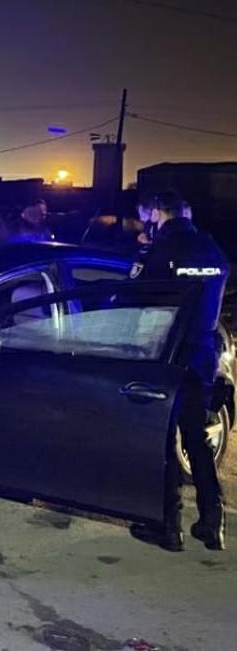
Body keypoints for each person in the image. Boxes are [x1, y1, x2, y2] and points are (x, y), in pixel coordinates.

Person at [130, 190, 227, 552]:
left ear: (159, 213)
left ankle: (168, 525)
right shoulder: (214, 251)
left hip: (167, 355)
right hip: (202, 354)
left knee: (164, 441)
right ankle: (211, 521)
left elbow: (132, 296)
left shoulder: (160, 250)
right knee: (197, 440)